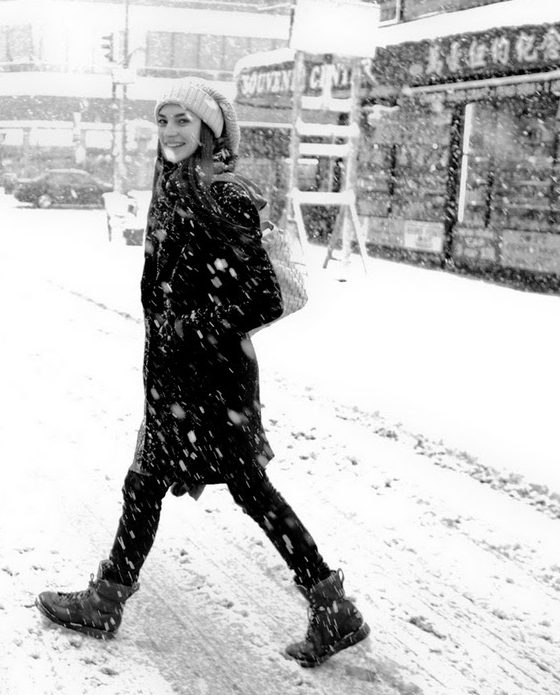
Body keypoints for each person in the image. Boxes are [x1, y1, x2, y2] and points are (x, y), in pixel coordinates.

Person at [35, 77, 369, 668]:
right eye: (163, 120)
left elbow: (264, 297)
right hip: (179, 378)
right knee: (162, 484)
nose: (169, 131)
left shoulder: (223, 194)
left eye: (182, 121)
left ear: (210, 130)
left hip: (211, 381)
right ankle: (327, 605)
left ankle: (328, 605)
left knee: (228, 489)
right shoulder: (176, 186)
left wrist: (188, 328)